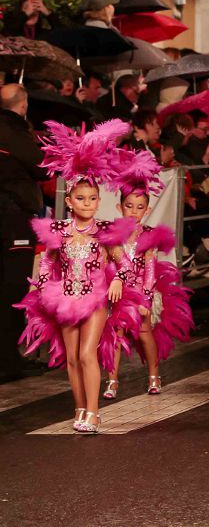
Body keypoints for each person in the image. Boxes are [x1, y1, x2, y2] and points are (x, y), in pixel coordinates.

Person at [16, 120, 145, 433]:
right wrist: (46, 289)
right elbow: (47, 263)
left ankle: (94, 411)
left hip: (96, 297)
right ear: (69, 201)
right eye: (81, 199)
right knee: (72, 358)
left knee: (88, 353)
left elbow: (125, 263)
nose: (88, 204)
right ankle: (79, 408)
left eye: (93, 199)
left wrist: (116, 280)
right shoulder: (58, 230)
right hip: (65, 298)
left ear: (99, 201)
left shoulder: (103, 231)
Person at [103, 147, 193, 399]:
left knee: (144, 333)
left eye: (139, 207)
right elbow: (111, 264)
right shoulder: (113, 235)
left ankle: (154, 373)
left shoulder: (148, 236)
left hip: (142, 292)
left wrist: (145, 298)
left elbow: (150, 269)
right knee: (116, 334)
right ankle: (112, 380)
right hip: (119, 292)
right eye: (129, 206)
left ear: (147, 210)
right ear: (120, 208)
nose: (134, 211)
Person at [0, 84, 50, 381]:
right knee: (13, 290)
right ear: (23, 105)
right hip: (13, 218)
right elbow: (41, 166)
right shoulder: (15, 131)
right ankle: (7, 361)